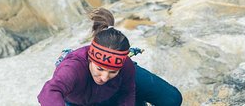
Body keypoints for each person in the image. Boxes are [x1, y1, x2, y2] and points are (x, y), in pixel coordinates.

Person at [37, 7, 182, 106]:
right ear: (90, 59)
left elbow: (127, 92)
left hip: (114, 89)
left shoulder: (125, 66)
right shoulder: (73, 68)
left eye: (112, 71)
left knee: (172, 99)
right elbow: (49, 91)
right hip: (81, 102)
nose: (105, 77)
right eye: (100, 68)